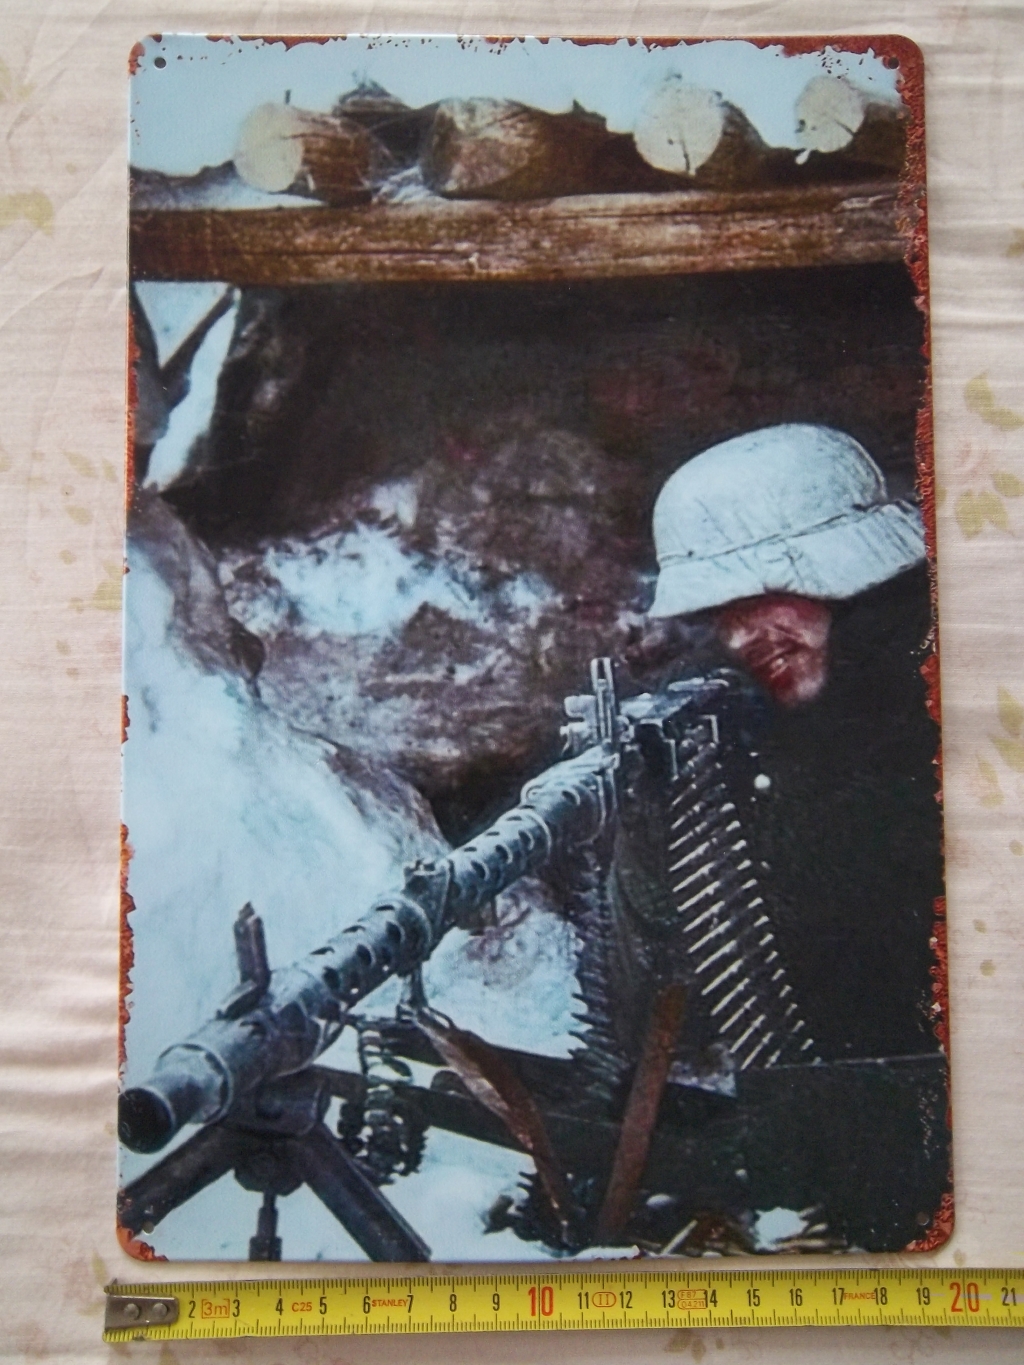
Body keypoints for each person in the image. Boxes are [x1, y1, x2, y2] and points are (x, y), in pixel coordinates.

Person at [611, 423, 943, 1065]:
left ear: (859, 572)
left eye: (762, 599)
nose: (739, 638)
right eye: (720, 612)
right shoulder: (720, 720)